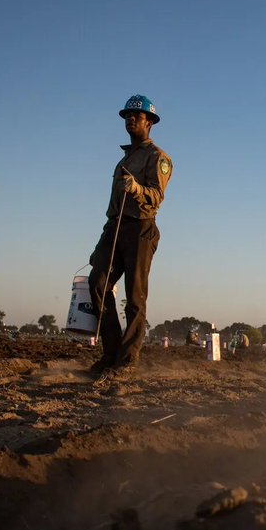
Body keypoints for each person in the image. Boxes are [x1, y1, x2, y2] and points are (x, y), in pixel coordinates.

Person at [88, 95, 173, 382]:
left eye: (137, 115)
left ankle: (126, 360)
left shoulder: (157, 158)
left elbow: (156, 197)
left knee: (134, 296)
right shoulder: (123, 159)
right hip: (114, 227)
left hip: (141, 228)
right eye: (127, 115)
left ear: (149, 123)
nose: (131, 118)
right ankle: (110, 353)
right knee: (97, 282)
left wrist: (136, 188)